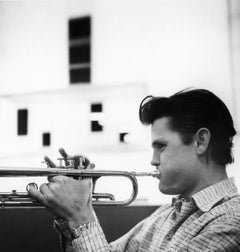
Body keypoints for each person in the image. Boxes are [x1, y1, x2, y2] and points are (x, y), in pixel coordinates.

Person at [28, 88, 240, 251]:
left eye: (161, 146)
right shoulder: (166, 214)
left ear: (201, 142)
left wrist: (80, 215)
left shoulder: (230, 223)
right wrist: (71, 214)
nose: (153, 160)